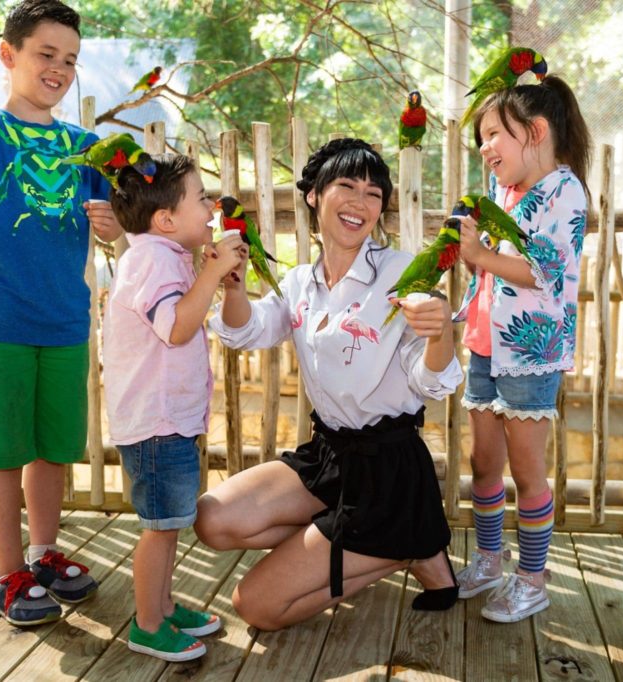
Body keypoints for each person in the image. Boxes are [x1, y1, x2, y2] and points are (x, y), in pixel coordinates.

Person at [196, 138, 465, 632]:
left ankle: (409, 544)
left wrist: (441, 331)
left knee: (253, 606)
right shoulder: (299, 282)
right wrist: (232, 287)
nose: (361, 203)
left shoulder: (402, 274)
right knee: (211, 520)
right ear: (315, 195)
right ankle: (361, 539)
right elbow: (244, 331)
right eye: (346, 186)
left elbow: (434, 381)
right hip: (329, 456)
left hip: (388, 473)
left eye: (373, 193)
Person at [0, 0, 123, 626]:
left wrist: (111, 225)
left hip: (67, 321)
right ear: (9, 54)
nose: (59, 69)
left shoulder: (86, 147)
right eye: (47, 54)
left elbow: (111, 235)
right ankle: (7, 571)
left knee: (52, 450)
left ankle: (43, 554)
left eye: (70, 60)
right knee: (2, 453)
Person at [451, 73, 591, 622]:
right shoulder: (500, 190)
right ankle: (489, 558)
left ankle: (532, 579)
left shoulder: (564, 190)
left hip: (532, 352)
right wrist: (469, 249)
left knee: (527, 472)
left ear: (534, 131)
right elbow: (490, 258)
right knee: (482, 461)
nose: (485, 148)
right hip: (486, 344)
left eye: (493, 135)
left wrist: (481, 257)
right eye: (482, 138)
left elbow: (548, 270)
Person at [103, 154, 242, 661]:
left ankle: (161, 606)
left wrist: (209, 270)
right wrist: (215, 271)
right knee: (159, 529)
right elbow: (176, 326)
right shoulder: (153, 260)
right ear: (165, 220)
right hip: (156, 424)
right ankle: (146, 624)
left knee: (168, 522)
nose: (211, 208)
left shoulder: (163, 256)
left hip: (167, 421)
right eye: (201, 198)